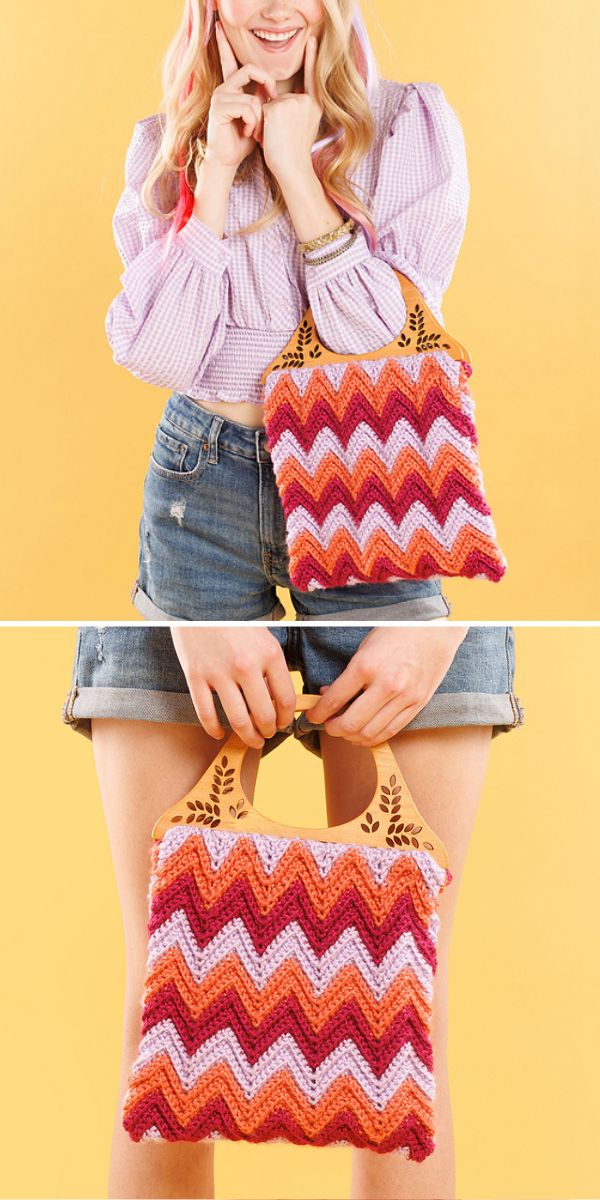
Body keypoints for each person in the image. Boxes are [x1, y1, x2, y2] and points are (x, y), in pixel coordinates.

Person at [63, 622, 524, 1199]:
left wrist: (435, 632)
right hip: (188, 608)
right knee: (167, 1012)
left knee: (403, 1024)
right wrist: (189, 620)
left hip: (409, 622)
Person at [105, 0, 471, 622]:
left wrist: (294, 167)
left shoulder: (404, 124)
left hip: (367, 462)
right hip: (202, 475)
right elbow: (161, 357)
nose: (277, 9)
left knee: (377, 688)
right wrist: (218, 170)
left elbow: (376, 339)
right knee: (209, 690)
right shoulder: (170, 146)